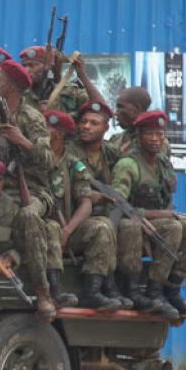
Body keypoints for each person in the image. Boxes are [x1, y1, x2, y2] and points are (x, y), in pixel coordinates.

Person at [0, 59, 55, 318]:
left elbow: (48, 162)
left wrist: (21, 141)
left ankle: (43, 292)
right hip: (0, 188)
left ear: (12, 87)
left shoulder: (31, 117)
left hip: (33, 190)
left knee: (29, 216)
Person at [111, 110, 186, 319]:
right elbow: (117, 203)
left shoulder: (163, 164)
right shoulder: (129, 164)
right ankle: (152, 290)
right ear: (139, 136)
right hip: (128, 223)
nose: (155, 139)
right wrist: (158, 215)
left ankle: (172, 289)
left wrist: (169, 213)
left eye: (160, 134)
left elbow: (166, 199)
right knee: (173, 226)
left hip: (153, 222)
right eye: (149, 134)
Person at [44, 110, 125, 310]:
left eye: (47, 129)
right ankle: (54, 291)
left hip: (66, 228)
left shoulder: (74, 165)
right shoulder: (33, 160)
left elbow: (86, 202)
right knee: (52, 226)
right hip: (42, 228)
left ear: (60, 134)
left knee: (103, 226)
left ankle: (92, 291)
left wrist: (68, 230)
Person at [19, 46, 105, 118]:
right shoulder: (19, 96)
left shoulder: (68, 93)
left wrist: (82, 75)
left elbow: (101, 108)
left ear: (49, 67)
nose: (26, 70)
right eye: (24, 65)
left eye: (32, 65)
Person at [109, 87, 170, 156]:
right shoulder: (116, 139)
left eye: (121, 107)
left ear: (137, 108)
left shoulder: (155, 142)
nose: (116, 113)